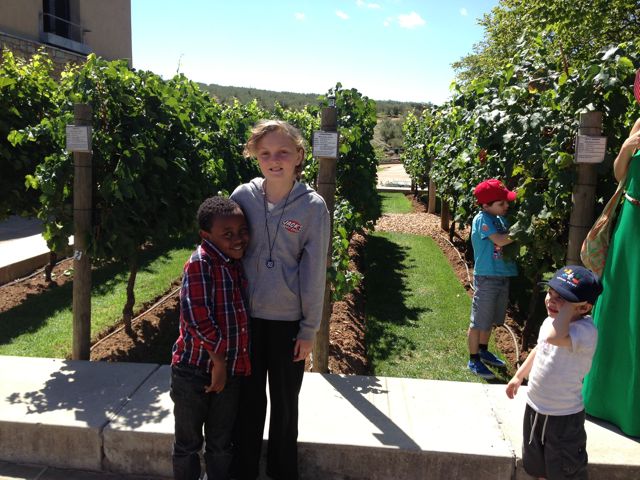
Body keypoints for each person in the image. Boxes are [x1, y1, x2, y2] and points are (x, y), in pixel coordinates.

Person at [230, 119, 330, 480]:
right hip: (246, 321)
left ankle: (282, 470)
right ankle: (244, 468)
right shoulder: (242, 197)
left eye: (283, 152)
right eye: (265, 153)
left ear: (299, 156)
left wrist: (309, 329)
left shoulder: (313, 208)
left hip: (288, 323)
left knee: (286, 405)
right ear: (255, 157)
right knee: (249, 401)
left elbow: (314, 271)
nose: (275, 160)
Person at [170, 196, 251, 480]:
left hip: (228, 371)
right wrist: (218, 361)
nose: (238, 239)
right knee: (188, 443)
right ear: (206, 236)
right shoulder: (200, 264)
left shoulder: (233, 263)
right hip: (194, 372)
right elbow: (197, 317)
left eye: (242, 231)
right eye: (227, 234)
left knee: (220, 442)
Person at [506, 265, 603, 480]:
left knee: (564, 472)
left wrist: (566, 311)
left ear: (584, 307)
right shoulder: (550, 323)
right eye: (550, 293)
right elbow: (540, 348)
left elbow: (553, 338)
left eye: (563, 299)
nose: (551, 301)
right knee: (537, 466)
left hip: (564, 419)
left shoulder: (585, 332)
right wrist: (519, 375)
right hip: (535, 408)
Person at [583, 117, 640, 437]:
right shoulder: (639, 122)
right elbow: (621, 175)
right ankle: (599, 398)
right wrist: (625, 150)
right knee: (617, 305)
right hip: (630, 224)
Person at [467, 178, 518, 379]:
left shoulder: (499, 218)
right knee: (479, 321)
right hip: (487, 277)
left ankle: (483, 349)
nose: (506, 206)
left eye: (506, 202)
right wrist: (523, 231)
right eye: (501, 203)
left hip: (502, 275)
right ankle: (473, 360)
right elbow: (500, 240)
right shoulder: (483, 220)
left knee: (491, 319)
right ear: (486, 205)